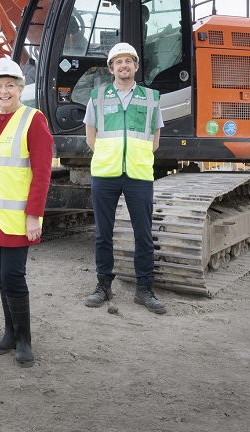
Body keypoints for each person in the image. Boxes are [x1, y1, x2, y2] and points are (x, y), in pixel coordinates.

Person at [0, 58, 53, 368]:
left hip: (17, 218)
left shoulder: (33, 119)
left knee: (14, 276)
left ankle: (25, 340)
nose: (5, 92)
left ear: (20, 88)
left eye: (11, 85)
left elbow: (42, 173)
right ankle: (9, 333)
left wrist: (34, 215)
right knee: (1, 277)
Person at [82, 42, 166, 314]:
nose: (123, 66)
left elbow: (154, 139)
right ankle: (103, 286)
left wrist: (135, 157)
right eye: (118, 62)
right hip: (105, 174)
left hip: (139, 174)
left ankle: (144, 289)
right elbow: (91, 136)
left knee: (143, 235)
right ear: (111, 68)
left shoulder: (151, 98)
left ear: (136, 66)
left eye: (128, 61)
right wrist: (109, 156)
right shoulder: (97, 96)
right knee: (103, 234)